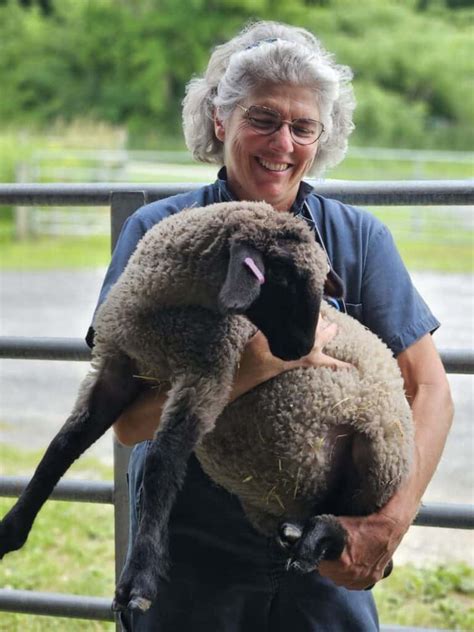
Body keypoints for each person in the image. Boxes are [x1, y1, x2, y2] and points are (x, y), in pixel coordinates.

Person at [88, 21, 454, 632]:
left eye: (303, 126)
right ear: (220, 119)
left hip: (319, 564)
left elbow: (432, 389)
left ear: (322, 136)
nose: (283, 142)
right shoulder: (163, 236)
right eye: (263, 117)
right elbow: (127, 422)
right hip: (190, 560)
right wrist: (270, 359)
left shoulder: (357, 240)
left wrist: (382, 526)